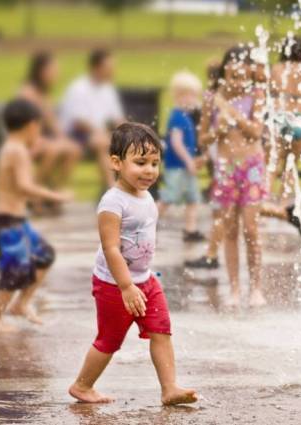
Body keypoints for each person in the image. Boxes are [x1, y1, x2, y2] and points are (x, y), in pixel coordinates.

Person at [68, 123, 198, 406]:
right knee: (109, 340)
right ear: (116, 163)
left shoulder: (146, 196)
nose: (149, 170)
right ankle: (82, 385)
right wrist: (126, 286)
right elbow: (111, 247)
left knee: (161, 330)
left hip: (145, 280)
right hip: (115, 285)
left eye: (154, 163)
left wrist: (139, 278)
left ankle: (169, 388)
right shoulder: (112, 203)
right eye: (140, 163)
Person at [0, 99, 72, 333]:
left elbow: (14, 179)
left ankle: (20, 304)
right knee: (13, 271)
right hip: (8, 222)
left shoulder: (12, 147)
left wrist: (32, 151)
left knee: (44, 255)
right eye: (39, 127)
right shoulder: (17, 151)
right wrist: (54, 196)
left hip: (16, 220)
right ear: (31, 125)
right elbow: (23, 186)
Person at [198, 45, 267, 307]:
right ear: (225, 71)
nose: (238, 80)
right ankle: (235, 289)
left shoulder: (256, 95)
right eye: (233, 74)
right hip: (226, 166)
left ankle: (256, 287)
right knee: (230, 229)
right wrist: (218, 131)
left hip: (251, 165)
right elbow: (203, 137)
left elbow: (256, 132)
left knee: (251, 228)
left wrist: (235, 116)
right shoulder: (211, 98)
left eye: (243, 75)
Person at [19, 51, 82, 215]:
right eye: (53, 70)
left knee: (73, 149)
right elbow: (22, 126)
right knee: (53, 150)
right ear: (41, 71)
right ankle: (33, 195)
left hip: (40, 140)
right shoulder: (28, 93)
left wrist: (63, 139)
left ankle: (55, 192)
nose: (56, 74)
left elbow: (53, 123)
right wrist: (40, 140)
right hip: (23, 141)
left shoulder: (44, 95)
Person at [58, 49, 125, 187]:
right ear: (96, 68)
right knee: (102, 142)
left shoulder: (108, 88)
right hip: (75, 134)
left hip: (95, 134)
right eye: (109, 68)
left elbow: (117, 118)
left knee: (127, 142)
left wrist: (132, 132)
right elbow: (78, 122)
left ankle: (127, 186)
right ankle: (112, 187)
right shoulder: (78, 88)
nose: (112, 71)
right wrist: (100, 132)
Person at [269, 35, 301, 201]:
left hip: (280, 114)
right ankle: (283, 201)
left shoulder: (276, 69)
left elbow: (267, 94)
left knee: (274, 160)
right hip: (299, 116)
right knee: (291, 162)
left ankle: (263, 199)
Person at [157, 71, 206, 242]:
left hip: (186, 167)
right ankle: (147, 223)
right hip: (177, 166)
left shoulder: (185, 116)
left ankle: (190, 230)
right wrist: (188, 161)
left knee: (193, 199)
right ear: (179, 96)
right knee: (168, 198)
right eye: (191, 95)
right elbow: (176, 143)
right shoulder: (177, 117)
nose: (194, 99)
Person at [185, 60, 224, 269]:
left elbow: (209, 134)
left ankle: (211, 254)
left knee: (223, 209)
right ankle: (212, 252)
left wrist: (206, 155)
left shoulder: (215, 98)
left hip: (223, 160)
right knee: (226, 209)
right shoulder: (224, 96)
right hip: (220, 158)